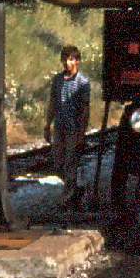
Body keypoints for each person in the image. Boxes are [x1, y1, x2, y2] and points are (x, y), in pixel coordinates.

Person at [45, 45, 91, 208]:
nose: (67, 62)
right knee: (58, 163)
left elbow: (85, 109)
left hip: (73, 128)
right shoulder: (57, 80)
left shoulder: (83, 82)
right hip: (59, 126)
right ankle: (76, 189)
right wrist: (47, 124)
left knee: (71, 162)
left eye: (70, 59)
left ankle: (68, 196)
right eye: (64, 59)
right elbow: (52, 103)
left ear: (77, 61)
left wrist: (81, 132)